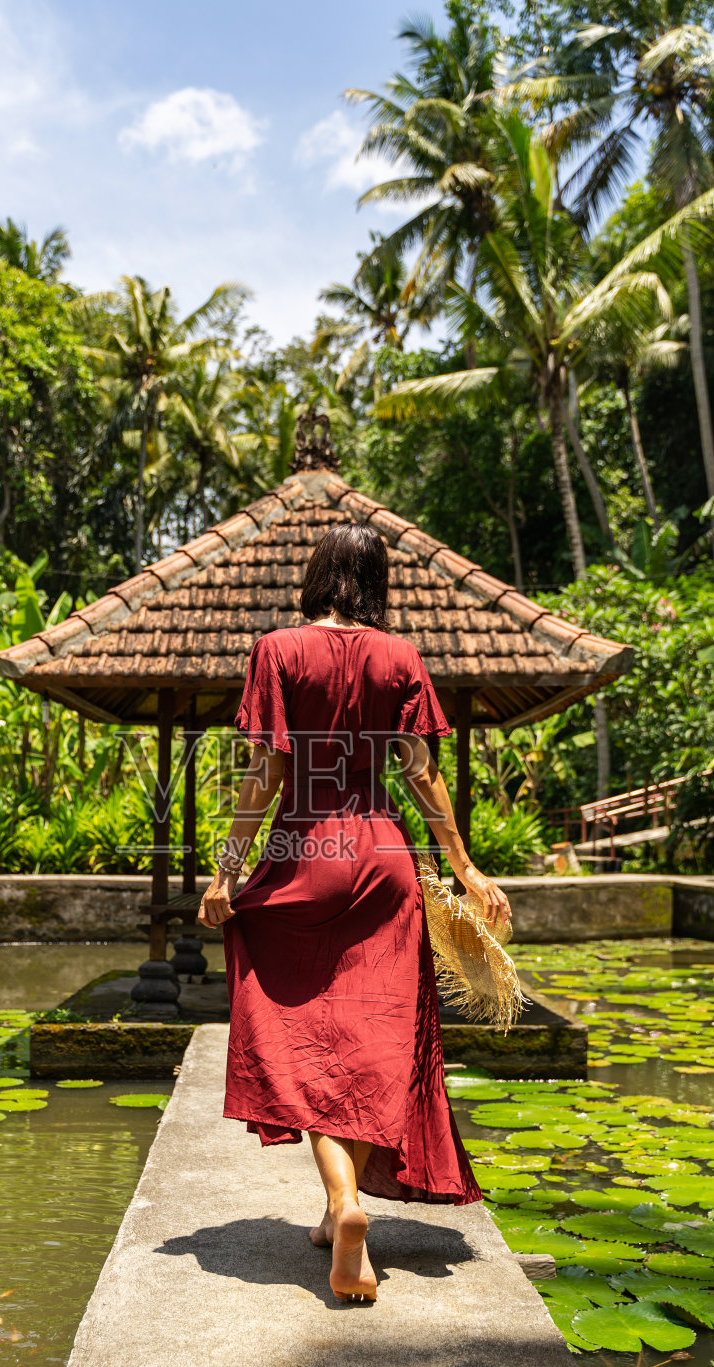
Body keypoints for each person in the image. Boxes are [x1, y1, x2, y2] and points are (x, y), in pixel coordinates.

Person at [198, 524, 511, 1305]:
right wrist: (465, 867)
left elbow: (264, 778)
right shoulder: (400, 658)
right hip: (382, 855)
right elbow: (422, 775)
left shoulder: (276, 650)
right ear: (377, 582)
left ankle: (342, 1204)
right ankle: (337, 1210)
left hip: (305, 851)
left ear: (315, 576)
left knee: (301, 1033)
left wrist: (224, 874)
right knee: (371, 1036)